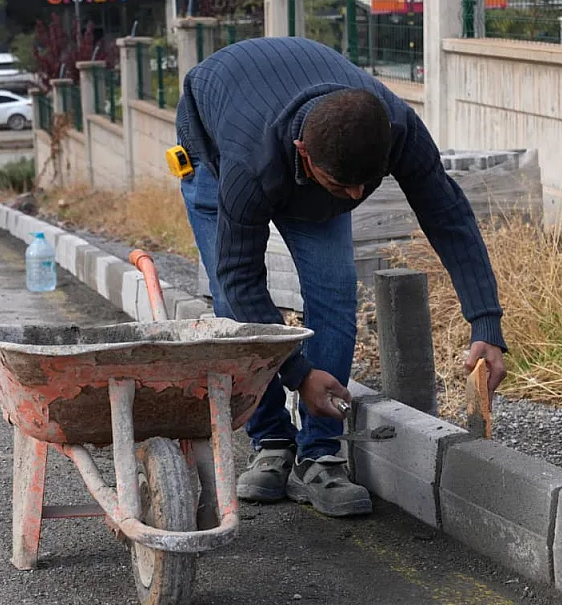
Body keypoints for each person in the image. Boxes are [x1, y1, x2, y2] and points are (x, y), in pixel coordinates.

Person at [175, 36, 508, 518]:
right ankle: (270, 441)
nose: (354, 196)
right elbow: (240, 276)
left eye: (366, 186)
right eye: (341, 186)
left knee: (333, 293)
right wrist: (298, 373)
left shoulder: (395, 127)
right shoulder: (248, 166)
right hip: (214, 150)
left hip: (304, 140)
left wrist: (486, 322)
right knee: (234, 303)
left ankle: (321, 454)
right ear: (303, 152)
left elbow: (448, 215)